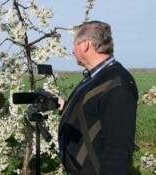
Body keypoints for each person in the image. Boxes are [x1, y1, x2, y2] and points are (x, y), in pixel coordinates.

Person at [47, 21, 138, 174]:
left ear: (85, 44)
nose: (72, 51)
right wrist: (64, 105)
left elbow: (119, 151)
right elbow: (92, 112)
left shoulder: (118, 85)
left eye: (74, 45)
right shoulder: (95, 77)